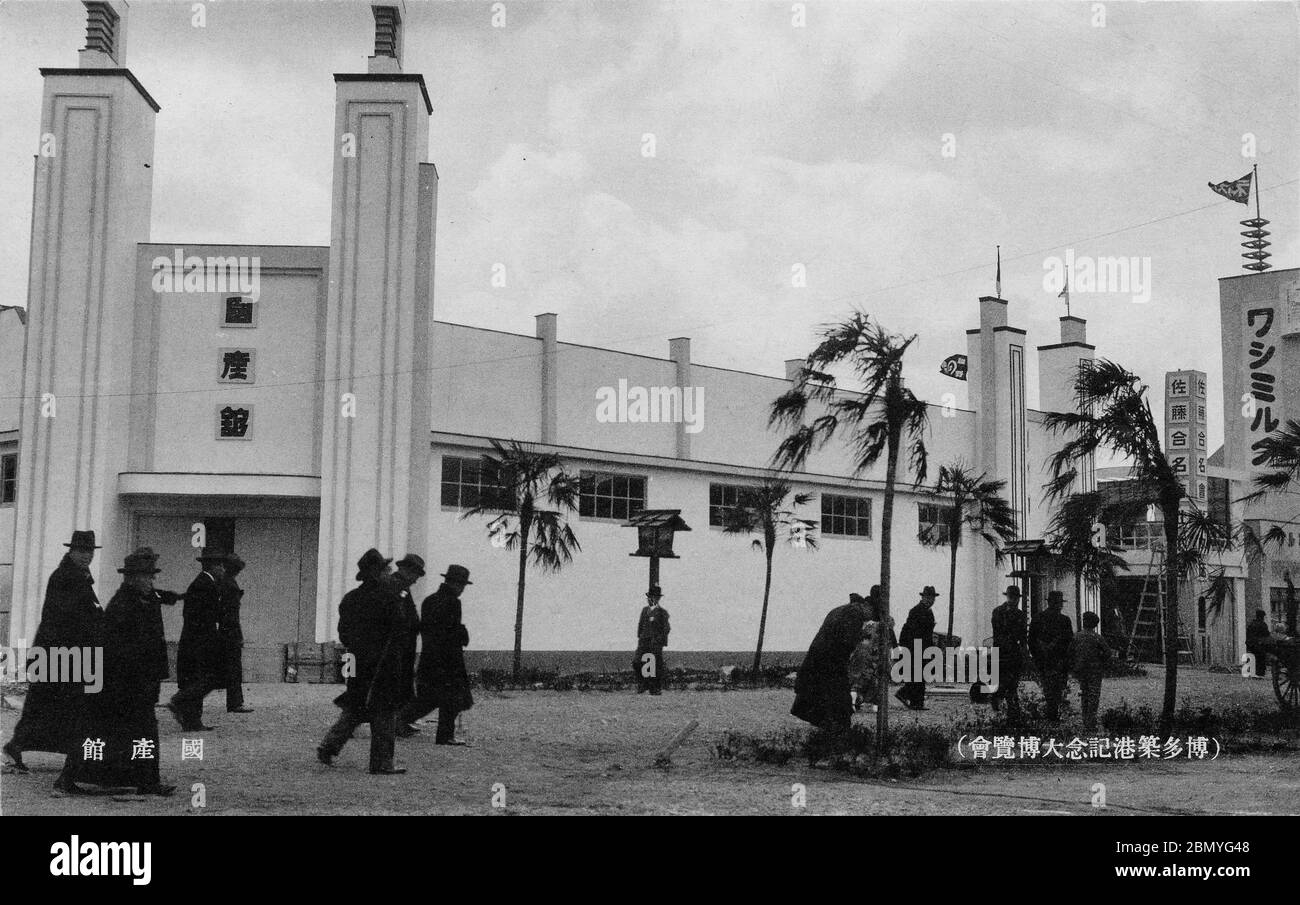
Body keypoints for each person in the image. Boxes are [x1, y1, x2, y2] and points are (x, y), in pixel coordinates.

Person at [72, 548, 179, 796]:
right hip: (125, 682)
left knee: (123, 732)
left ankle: (146, 781)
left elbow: (157, 598)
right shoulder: (123, 605)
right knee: (120, 730)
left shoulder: (144, 597)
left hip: (138, 681)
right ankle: (146, 781)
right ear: (132, 578)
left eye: (152, 576)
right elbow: (116, 647)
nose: (151, 581)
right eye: (147, 576)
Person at [4, 530, 104, 779]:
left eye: (89, 551)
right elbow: (68, 616)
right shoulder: (65, 577)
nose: (86, 556)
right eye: (81, 551)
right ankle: (19, 746)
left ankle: (25, 746)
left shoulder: (78, 575)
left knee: (53, 706)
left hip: (65, 654)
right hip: (57, 654)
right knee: (50, 705)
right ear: (71, 551)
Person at [318, 549, 409, 772]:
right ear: (376, 574)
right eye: (386, 569)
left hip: (357, 661)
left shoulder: (350, 599)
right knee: (385, 712)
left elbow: (344, 634)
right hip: (383, 663)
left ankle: (329, 746)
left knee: (356, 707)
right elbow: (401, 628)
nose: (390, 573)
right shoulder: (389, 598)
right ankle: (381, 763)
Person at [398, 564, 474, 745]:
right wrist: (463, 633)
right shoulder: (453, 602)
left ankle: (399, 720)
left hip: (429, 657)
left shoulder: (429, 600)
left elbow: (426, 629)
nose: (462, 589)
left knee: (428, 699)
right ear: (455, 584)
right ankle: (445, 735)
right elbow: (452, 631)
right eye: (462, 585)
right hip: (449, 659)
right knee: (452, 698)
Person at [791, 592, 870, 731]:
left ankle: (827, 731)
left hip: (820, 658)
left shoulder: (840, 610)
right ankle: (837, 735)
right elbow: (847, 642)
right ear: (867, 606)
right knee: (838, 704)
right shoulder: (855, 614)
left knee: (820, 698)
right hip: (831, 662)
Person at [168, 548, 228, 731]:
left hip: (196, 641)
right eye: (221, 566)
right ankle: (180, 701)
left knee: (197, 679)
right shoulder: (204, 585)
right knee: (207, 679)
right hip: (199, 642)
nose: (224, 570)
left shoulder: (203, 583)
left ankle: (192, 720)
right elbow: (200, 616)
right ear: (214, 567)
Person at [389, 554, 426, 737]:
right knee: (398, 683)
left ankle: (401, 721)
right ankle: (397, 723)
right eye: (415, 575)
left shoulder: (402, 586)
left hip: (405, 644)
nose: (416, 580)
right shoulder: (397, 585)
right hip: (399, 645)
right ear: (406, 570)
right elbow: (401, 617)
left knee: (404, 682)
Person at [1029, 590, 1074, 722]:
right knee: (1056, 689)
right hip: (1057, 660)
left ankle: (1051, 713)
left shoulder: (1038, 618)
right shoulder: (1064, 620)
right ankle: (1052, 714)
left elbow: (1031, 640)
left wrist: (1038, 655)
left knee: (1048, 688)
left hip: (1046, 660)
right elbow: (1069, 642)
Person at [850, 587, 894, 712]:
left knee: (860, 676)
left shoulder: (866, 609)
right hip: (875, 648)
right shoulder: (882, 612)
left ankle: (856, 700)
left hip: (864, 647)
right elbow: (889, 632)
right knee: (878, 674)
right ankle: (875, 703)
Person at [219, 554, 254, 713]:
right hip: (231, 632)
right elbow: (233, 616)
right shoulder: (231, 585)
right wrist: (238, 636)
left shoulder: (225, 582)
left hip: (225, 631)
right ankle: (235, 702)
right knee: (234, 669)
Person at [895, 586, 938, 711]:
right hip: (917, 647)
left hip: (920, 647)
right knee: (918, 675)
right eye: (929, 597)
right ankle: (912, 699)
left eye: (933, 598)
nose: (932, 600)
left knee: (918, 675)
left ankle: (914, 700)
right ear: (924, 597)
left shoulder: (924, 610)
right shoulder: (918, 611)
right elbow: (914, 631)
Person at [990, 585, 1027, 725]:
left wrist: (1024, 651)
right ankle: (1002, 703)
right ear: (1007, 597)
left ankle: (1012, 709)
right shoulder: (998, 612)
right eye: (1011, 597)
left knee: (1013, 681)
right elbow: (998, 632)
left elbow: (1023, 635)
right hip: (1000, 651)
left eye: (1016, 598)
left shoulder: (1021, 615)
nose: (1014, 600)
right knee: (1002, 680)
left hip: (1014, 652)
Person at [1069, 611, 1111, 730]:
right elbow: (1107, 652)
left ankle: (1085, 719)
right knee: (1093, 695)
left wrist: (1074, 665)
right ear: (1095, 625)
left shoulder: (1076, 636)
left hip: (1081, 669)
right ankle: (1090, 721)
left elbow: (1070, 652)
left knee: (1085, 694)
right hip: (1095, 670)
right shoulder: (1097, 638)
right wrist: (1100, 660)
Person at [634, 586, 671, 695]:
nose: (650, 600)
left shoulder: (662, 612)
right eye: (649, 598)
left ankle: (655, 688)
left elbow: (666, 628)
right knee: (637, 662)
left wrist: (659, 640)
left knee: (655, 664)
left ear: (657, 599)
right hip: (644, 641)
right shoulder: (645, 610)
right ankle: (643, 684)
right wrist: (640, 637)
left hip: (655, 643)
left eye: (652, 598)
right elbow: (640, 625)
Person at [1245, 610, 1271, 679]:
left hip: (1251, 644)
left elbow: (1248, 634)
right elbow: (1267, 635)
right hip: (1259, 645)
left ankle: (1252, 672)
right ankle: (1259, 673)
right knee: (1260, 659)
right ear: (1262, 616)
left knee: (1252, 658)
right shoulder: (1263, 625)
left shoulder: (1252, 624)